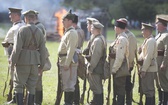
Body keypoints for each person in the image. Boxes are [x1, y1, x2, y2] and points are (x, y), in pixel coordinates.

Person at [9, 10, 46, 105]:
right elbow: (43, 50)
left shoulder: (22, 30)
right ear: (34, 18)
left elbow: (17, 49)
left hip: (22, 61)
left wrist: (13, 62)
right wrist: (41, 65)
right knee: (32, 86)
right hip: (35, 62)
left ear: (26, 18)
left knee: (18, 85)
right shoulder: (40, 31)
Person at [1, 7, 25, 104]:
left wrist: (12, 57)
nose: (9, 16)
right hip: (15, 54)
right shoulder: (19, 25)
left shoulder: (17, 27)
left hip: (15, 55)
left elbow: (17, 44)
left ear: (16, 15)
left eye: (11, 14)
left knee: (15, 77)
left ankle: (16, 98)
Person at [57, 10, 78, 105]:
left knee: (69, 84)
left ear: (70, 21)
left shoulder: (72, 33)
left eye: (64, 20)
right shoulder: (68, 32)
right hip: (65, 60)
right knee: (66, 84)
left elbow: (71, 50)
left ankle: (68, 103)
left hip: (68, 62)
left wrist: (67, 63)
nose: (62, 22)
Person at [109, 19, 129, 105]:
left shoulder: (122, 39)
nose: (114, 28)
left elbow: (120, 57)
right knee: (117, 89)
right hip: (118, 68)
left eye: (115, 26)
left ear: (118, 28)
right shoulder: (120, 38)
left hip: (120, 69)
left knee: (120, 90)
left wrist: (114, 69)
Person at [85, 21, 106, 105]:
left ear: (97, 29)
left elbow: (95, 56)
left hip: (96, 68)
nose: (91, 29)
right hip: (98, 67)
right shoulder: (99, 38)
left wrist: (90, 67)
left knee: (97, 88)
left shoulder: (97, 40)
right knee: (97, 87)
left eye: (93, 28)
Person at [118, 18, 137, 105]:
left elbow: (131, 52)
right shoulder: (121, 35)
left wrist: (129, 65)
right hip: (121, 64)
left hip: (127, 65)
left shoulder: (130, 36)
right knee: (121, 84)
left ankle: (128, 101)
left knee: (127, 85)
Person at [138, 23, 157, 105]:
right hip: (147, 68)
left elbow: (148, 56)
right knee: (147, 90)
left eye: (143, 30)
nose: (142, 32)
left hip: (149, 69)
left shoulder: (151, 41)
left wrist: (144, 69)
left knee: (149, 90)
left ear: (148, 31)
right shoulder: (147, 40)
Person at [34, 10, 50, 105]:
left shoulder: (38, 27)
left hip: (38, 55)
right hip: (38, 55)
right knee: (37, 80)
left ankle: (37, 101)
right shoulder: (39, 26)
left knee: (37, 80)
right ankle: (37, 100)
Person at [72, 13, 85, 105]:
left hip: (75, 55)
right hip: (74, 54)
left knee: (74, 79)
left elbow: (76, 46)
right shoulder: (76, 30)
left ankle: (75, 100)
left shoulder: (77, 31)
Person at [155, 17, 168, 105]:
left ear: (162, 25)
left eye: (157, 24)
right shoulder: (158, 35)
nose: (156, 25)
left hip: (162, 63)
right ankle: (160, 101)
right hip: (156, 62)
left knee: (164, 83)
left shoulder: (166, 35)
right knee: (159, 83)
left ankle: (164, 102)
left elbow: (167, 50)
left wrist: (164, 63)